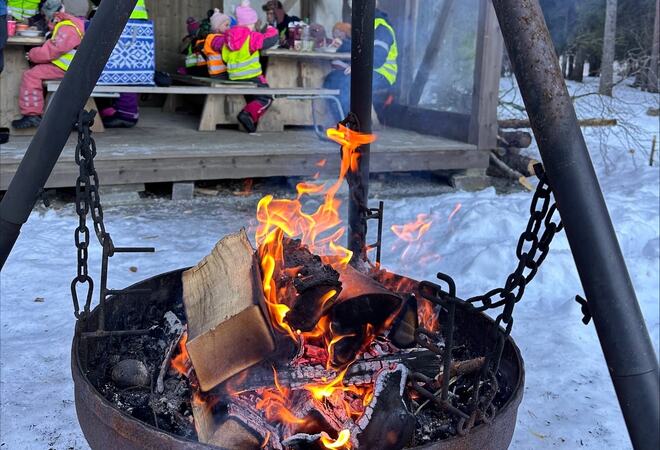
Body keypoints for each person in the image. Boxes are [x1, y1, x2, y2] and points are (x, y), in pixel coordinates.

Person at [11, 0, 84, 129]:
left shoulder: (67, 27)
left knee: (32, 75)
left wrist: (33, 55)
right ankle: (34, 113)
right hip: (68, 67)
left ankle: (32, 114)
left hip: (68, 68)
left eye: (46, 17)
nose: (46, 20)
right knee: (35, 72)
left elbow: (55, 49)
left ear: (54, 15)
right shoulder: (67, 24)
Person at [323, 6, 398, 122]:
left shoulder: (381, 28)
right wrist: (340, 46)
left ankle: (353, 126)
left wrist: (359, 68)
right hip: (368, 70)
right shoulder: (365, 28)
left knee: (348, 83)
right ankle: (342, 124)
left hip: (382, 74)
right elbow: (358, 48)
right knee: (332, 79)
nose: (353, 19)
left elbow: (377, 57)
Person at [91, 0, 149, 128]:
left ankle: (127, 112)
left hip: (123, 18)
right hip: (134, 19)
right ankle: (124, 111)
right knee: (128, 66)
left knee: (122, 66)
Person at [222, 0, 278, 133]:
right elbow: (270, 40)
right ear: (249, 23)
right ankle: (247, 114)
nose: (254, 25)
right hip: (251, 76)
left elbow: (225, 59)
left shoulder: (228, 38)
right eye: (253, 22)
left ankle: (252, 118)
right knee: (267, 97)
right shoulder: (251, 37)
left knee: (252, 95)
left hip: (233, 76)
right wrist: (271, 29)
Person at [203, 8, 230, 79]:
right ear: (217, 27)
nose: (228, 27)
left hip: (218, 71)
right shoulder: (215, 38)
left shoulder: (218, 37)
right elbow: (222, 45)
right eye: (226, 25)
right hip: (219, 72)